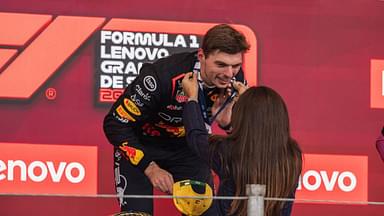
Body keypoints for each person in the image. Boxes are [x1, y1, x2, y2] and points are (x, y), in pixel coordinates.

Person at [103, 24, 250, 214]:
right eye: (221, 64)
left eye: (235, 65)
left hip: (189, 148)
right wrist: (150, 167)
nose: (229, 73)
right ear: (201, 56)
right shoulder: (162, 77)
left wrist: (227, 124)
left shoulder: (236, 82)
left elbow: (240, 138)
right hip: (142, 145)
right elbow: (115, 124)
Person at [181, 72, 303, 216]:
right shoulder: (293, 154)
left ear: (242, 116)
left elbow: (196, 137)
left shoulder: (229, 151)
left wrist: (192, 98)